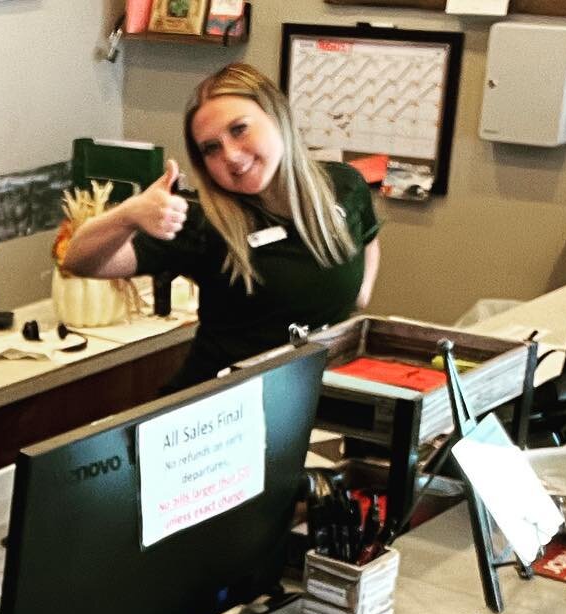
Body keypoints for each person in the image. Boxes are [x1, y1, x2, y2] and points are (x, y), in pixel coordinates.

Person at [63, 62, 381, 392]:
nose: (230, 155)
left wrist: (359, 295)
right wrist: (127, 215)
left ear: (278, 116)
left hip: (308, 394)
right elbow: (79, 260)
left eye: (239, 129)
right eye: (211, 148)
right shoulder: (202, 220)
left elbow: (368, 236)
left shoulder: (343, 185)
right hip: (218, 409)